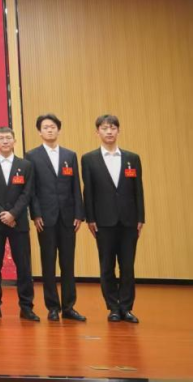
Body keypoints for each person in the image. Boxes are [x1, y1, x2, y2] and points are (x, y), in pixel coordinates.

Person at [81, 114, 144, 323]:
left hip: (129, 221)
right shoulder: (89, 159)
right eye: (105, 128)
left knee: (127, 266)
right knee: (107, 266)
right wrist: (90, 218)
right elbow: (88, 191)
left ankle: (126, 307)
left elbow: (138, 190)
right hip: (103, 221)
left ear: (118, 131)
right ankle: (113, 307)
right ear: (97, 132)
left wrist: (140, 217)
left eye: (113, 128)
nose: (109, 132)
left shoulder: (132, 158)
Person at [27, 113, 86, 322]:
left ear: (58, 130)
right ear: (39, 132)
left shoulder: (70, 155)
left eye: (53, 126)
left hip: (68, 217)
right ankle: (52, 307)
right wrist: (35, 214)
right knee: (48, 262)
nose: (49, 130)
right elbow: (31, 190)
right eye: (45, 127)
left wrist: (79, 214)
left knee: (68, 263)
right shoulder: (32, 156)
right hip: (45, 218)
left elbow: (76, 186)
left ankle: (69, 306)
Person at [0, 126, 38, 321]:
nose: (5, 141)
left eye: (8, 138)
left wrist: (13, 214)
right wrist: (1, 214)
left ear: (14, 141)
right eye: (1, 138)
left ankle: (27, 307)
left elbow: (27, 193)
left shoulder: (26, 165)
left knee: (24, 266)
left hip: (18, 223)